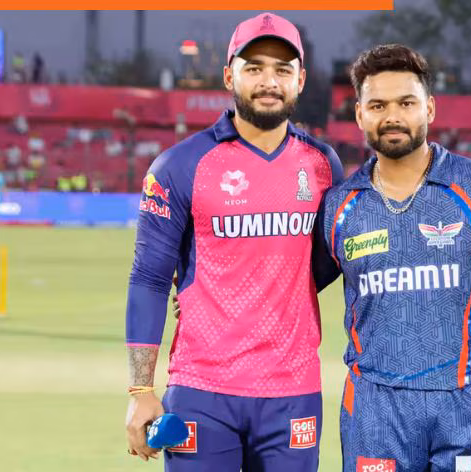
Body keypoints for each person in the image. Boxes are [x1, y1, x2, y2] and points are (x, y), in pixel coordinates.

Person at [318, 44, 471, 472]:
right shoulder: (339, 206)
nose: (392, 116)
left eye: (406, 103)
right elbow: (292, 287)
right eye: (377, 105)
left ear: (429, 107)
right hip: (377, 412)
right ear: (359, 114)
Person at [124, 12, 343, 472]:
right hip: (201, 390)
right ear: (229, 76)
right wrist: (141, 390)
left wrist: (270, 291)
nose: (269, 82)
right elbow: (149, 278)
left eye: (282, 69)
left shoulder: (322, 166)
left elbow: (323, 266)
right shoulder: (181, 165)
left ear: (300, 80)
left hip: (292, 390)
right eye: (254, 68)